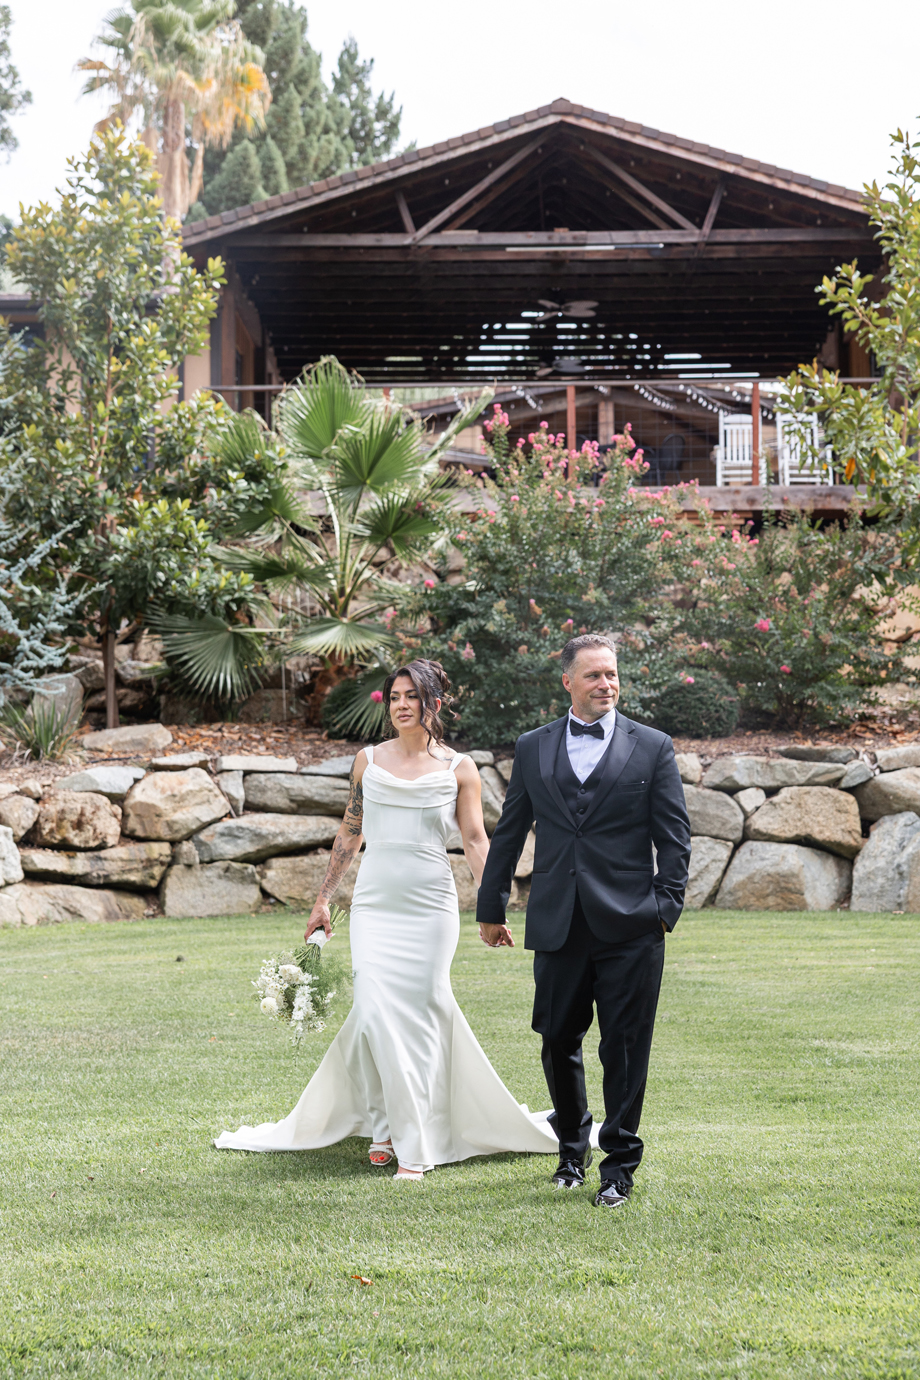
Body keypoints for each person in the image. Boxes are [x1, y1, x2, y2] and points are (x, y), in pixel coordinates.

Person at [215, 659, 567, 1178]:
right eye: (395, 696)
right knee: (374, 1012)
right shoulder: (368, 761)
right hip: (375, 905)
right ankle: (384, 1123)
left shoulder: (459, 768)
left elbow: (475, 840)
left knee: (422, 1016)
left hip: (431, 906)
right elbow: (349, 832)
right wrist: (323, 900)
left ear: (435, 704)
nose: (402, 705)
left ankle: (411, 1139)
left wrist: (491, 905)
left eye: (412, 696)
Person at [476, 633, 691, 1208]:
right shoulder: (533, 746)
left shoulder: (652, 746)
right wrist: (491, 907)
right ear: (568, 681)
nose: (606, 684)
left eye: (612, 674)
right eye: (594, 675)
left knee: (624, 1047)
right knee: (556, 1039)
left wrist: (664, 908)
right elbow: (510, 830)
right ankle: (571, 1152)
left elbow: (674, 837)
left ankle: (619, 1168)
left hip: (633, 925)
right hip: (559, 921)